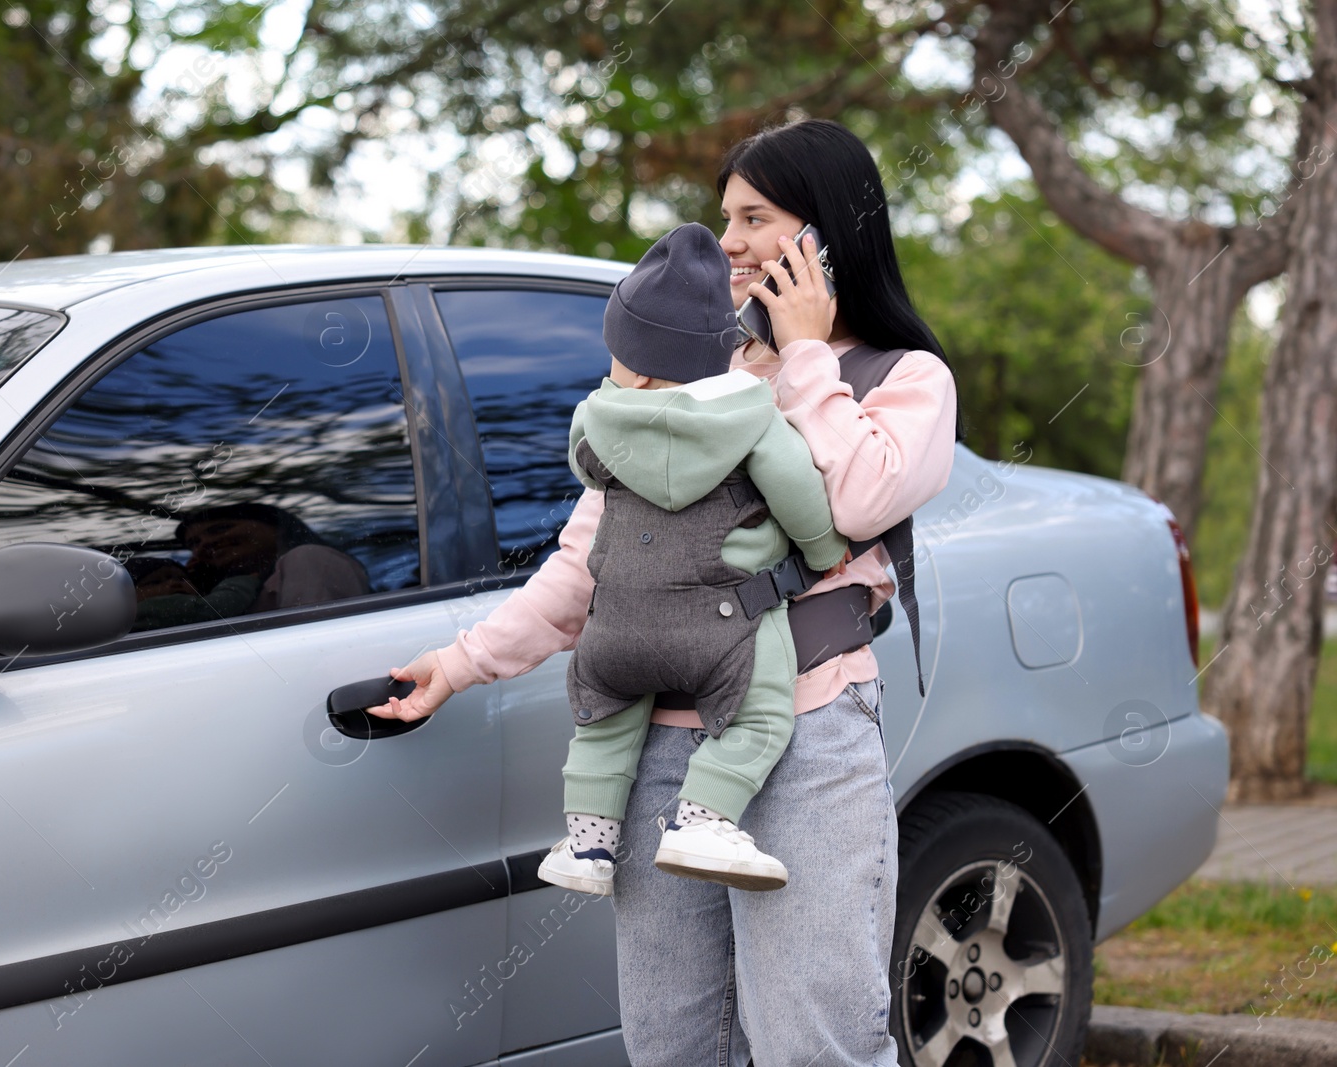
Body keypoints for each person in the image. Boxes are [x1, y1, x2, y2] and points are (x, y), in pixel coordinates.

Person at [372, 118, 959, 1067]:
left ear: (829, 231)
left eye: (754, 216)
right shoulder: (700, 377)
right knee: (675, 1045)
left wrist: (804, 357)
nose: (727, 240)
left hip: (807, 735)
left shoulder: (905, 378)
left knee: (814, 1044)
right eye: (723, 216)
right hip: (661, 747)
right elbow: (595, 558)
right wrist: (463, 659)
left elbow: (855, 499)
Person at [536, 222, 848, 900]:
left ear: (638, 364)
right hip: (720, 624)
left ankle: (589, 841)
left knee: (604, 721)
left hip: (614, 631)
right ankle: (703, 819)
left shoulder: (595, 418)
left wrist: (620, 402)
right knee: (762, 715)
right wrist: (824, 552)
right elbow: (799, 493)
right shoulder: (755, 415)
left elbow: (585, 468)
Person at [132, 502, 370, 630]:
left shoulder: (309, 558)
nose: (205, 544)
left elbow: (313, 640)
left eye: (219, 529)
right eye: (194, 543)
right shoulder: (236, 591)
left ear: (275, 528)